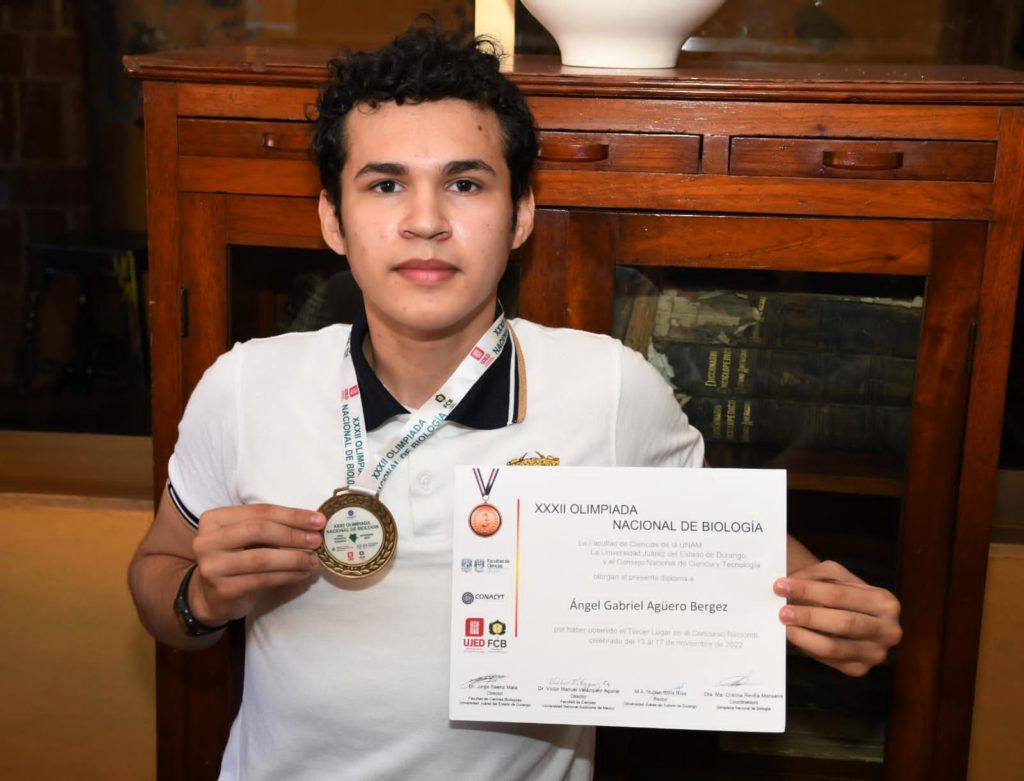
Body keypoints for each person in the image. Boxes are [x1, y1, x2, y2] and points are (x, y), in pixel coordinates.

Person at [128, 27, 902, 780]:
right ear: (333, 218)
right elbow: (157, 573)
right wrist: (201, 598)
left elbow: (766, 572)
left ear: (521, 213)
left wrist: (839, 617)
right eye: (385, 184)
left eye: (464, 184)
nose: (426, 222)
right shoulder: (246, 384)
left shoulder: (609, 389)